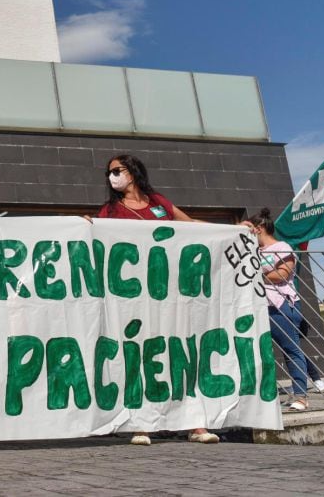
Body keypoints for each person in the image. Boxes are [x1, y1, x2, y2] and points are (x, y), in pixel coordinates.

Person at [94, 155, 219, 445]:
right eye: (108, 172)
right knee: (140, 355)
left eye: (117, 170)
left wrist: (234, 230)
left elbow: (189, 225)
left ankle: (195, 425)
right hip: (134, 298)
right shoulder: (111, 211)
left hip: (171, 292)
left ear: (133, 172)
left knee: (180, 352)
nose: (111, 176)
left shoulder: (158, 203)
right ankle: (142, 426)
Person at [243, 208, 324, 410]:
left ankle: (300, 396)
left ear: (260, 228)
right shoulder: (252, 251)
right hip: (258, 305)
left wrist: (254, 276)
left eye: (251, 229)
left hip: (280, 305)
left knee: (290, 349)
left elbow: (282, 274)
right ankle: (312, 377)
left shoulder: (282, 247)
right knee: (285, 347)